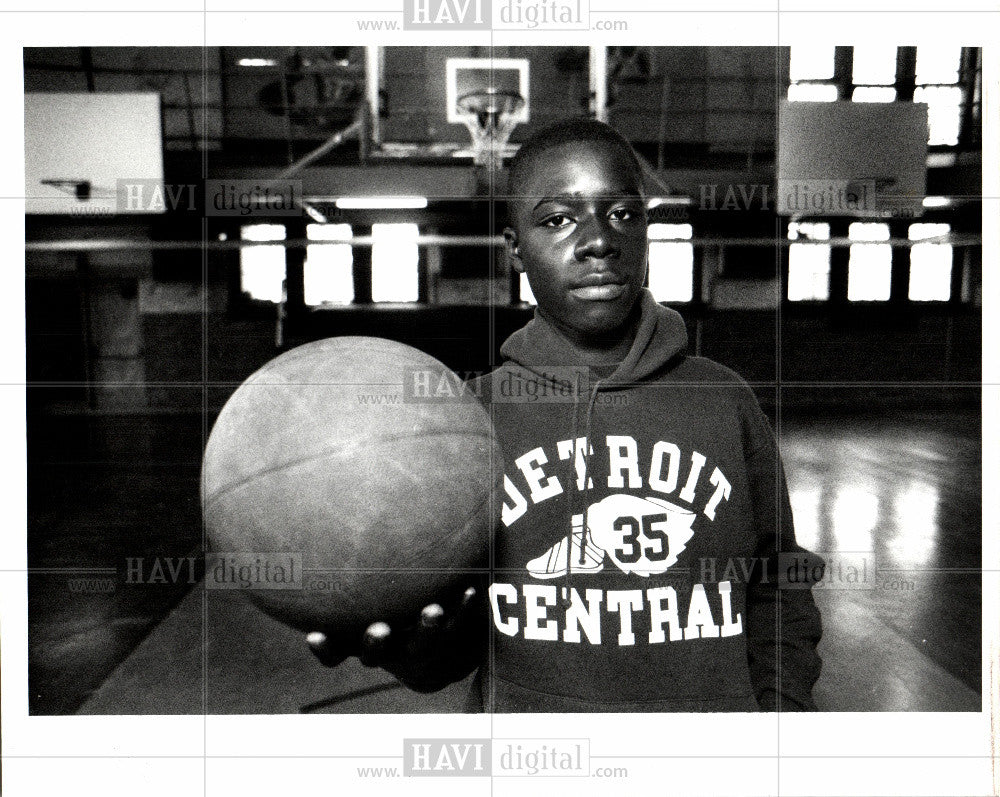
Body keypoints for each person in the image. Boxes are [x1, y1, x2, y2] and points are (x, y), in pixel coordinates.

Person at [308, 117, 824, 712]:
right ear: (516, 250)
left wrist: (783, 711)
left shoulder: (724, 401)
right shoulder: (471, 419)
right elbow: (451, 644)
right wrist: (411, 652)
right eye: (557, 219)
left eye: (623, 214)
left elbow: (778, 581)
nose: (599, 239)